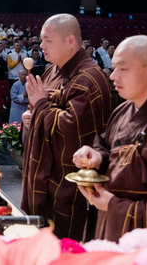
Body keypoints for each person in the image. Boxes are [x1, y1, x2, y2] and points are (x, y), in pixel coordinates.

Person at [73, 35, 147, 241]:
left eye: (123, 69)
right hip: (109, 230)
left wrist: (112, 205)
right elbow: (106, 144)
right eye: (114, 68)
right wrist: (98, 156)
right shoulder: (124, 109)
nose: (113, 76)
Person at [21, 14, 114, 240]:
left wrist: (41, 106)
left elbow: (71, 132)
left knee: (61, 249)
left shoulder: (89, 78)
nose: (40, 46)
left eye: (47, 40)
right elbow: (42, 108)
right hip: (42, 179)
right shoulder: (54, 69)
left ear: (70, 41)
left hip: (65, 187)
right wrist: (33, 115)